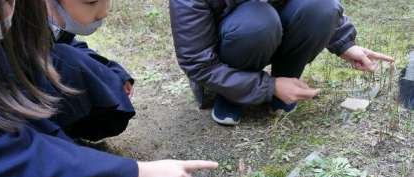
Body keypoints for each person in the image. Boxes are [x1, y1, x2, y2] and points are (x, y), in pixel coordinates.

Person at [0, 0, 217, 177]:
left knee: (63, 64)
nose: (9, 11)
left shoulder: (23, 18)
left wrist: (113, 73)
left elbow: (60, 47)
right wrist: (136, 174)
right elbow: (8, 153)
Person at [169, 0, 394, 126]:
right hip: (235, 45)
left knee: (323, 6)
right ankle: (230, 96)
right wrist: (269, 86)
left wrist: (344, 44)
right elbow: (196, 61)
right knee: (257, 22)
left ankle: (287, 83)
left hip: (268, 28)